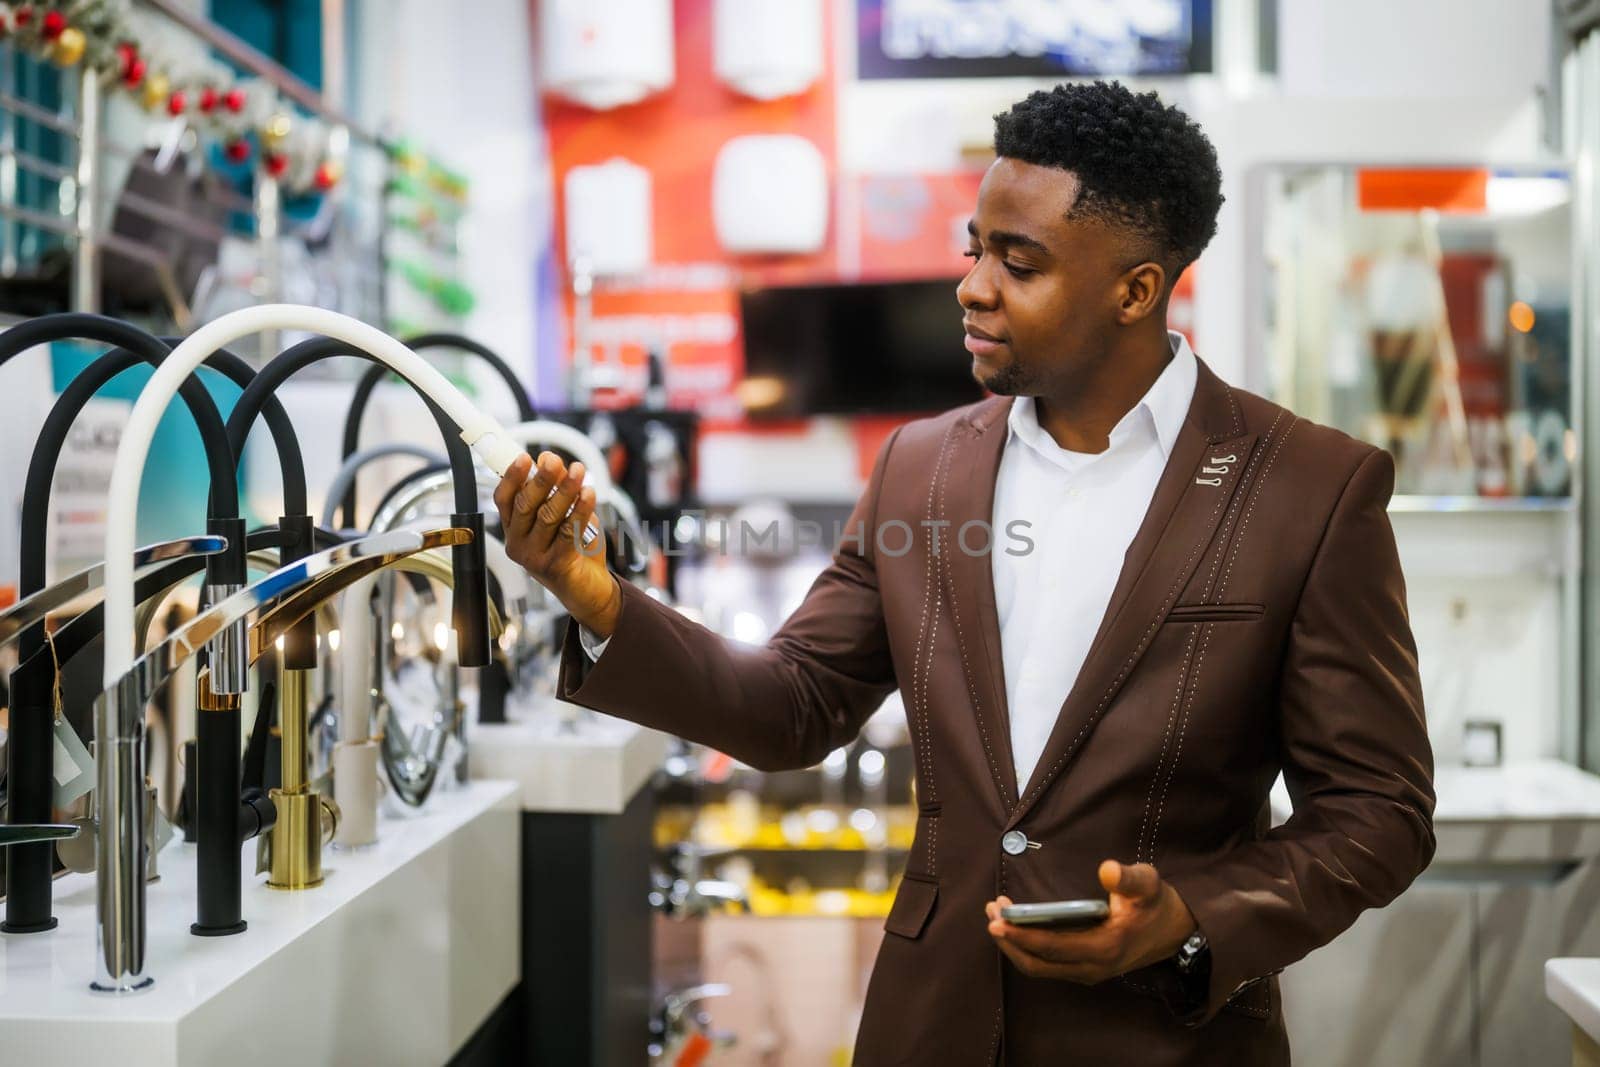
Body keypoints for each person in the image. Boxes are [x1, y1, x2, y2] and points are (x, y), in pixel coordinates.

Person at [494, 80, 1435, 1067]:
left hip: (1167, 1034)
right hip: (929, 1023)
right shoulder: (921, 467)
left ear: (1136, 288)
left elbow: (1377, 812)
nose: (973, 286)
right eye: (973, 249)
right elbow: (791, 705)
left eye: (1017, 261)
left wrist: (1189, 915)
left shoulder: (1309, 487)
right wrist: (591, 591)